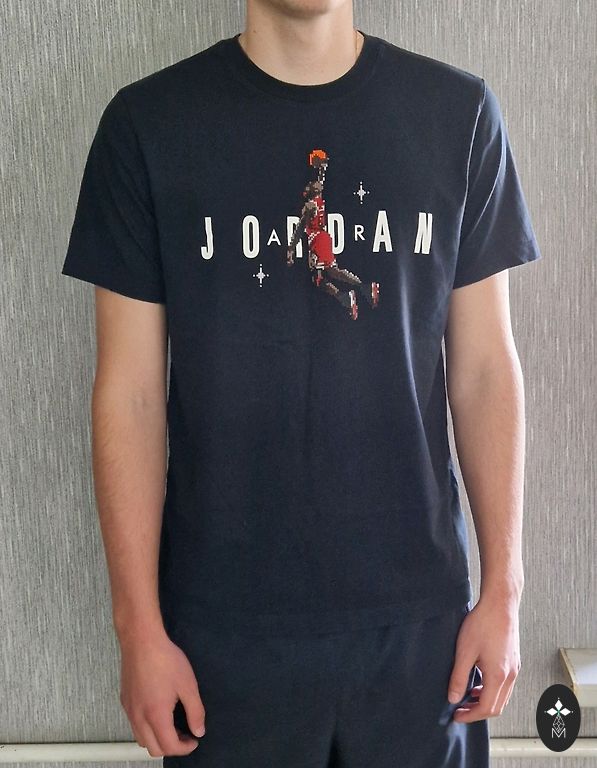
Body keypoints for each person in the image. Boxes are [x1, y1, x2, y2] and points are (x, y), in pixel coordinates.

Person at [61, 1, 542, 765]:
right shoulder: (147, 127)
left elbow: (485, 371)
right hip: (221, 635)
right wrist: (137, 627)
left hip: (421, 635)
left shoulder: (457, 117)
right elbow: (129, 393)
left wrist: (504, 595)